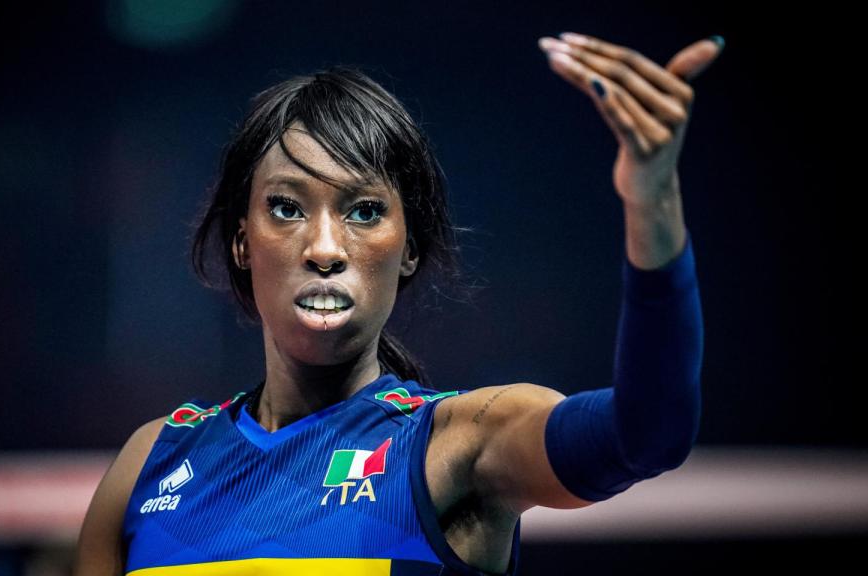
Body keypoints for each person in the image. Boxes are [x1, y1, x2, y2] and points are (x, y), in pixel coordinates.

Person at [74, 31, 724, 576]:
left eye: (363, 211)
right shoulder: (149, 465)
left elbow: (646, 434)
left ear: (408, 247)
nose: (324, 247)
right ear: (243, 243)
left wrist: (653, 201)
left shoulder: (461, 446)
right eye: (287, 207)